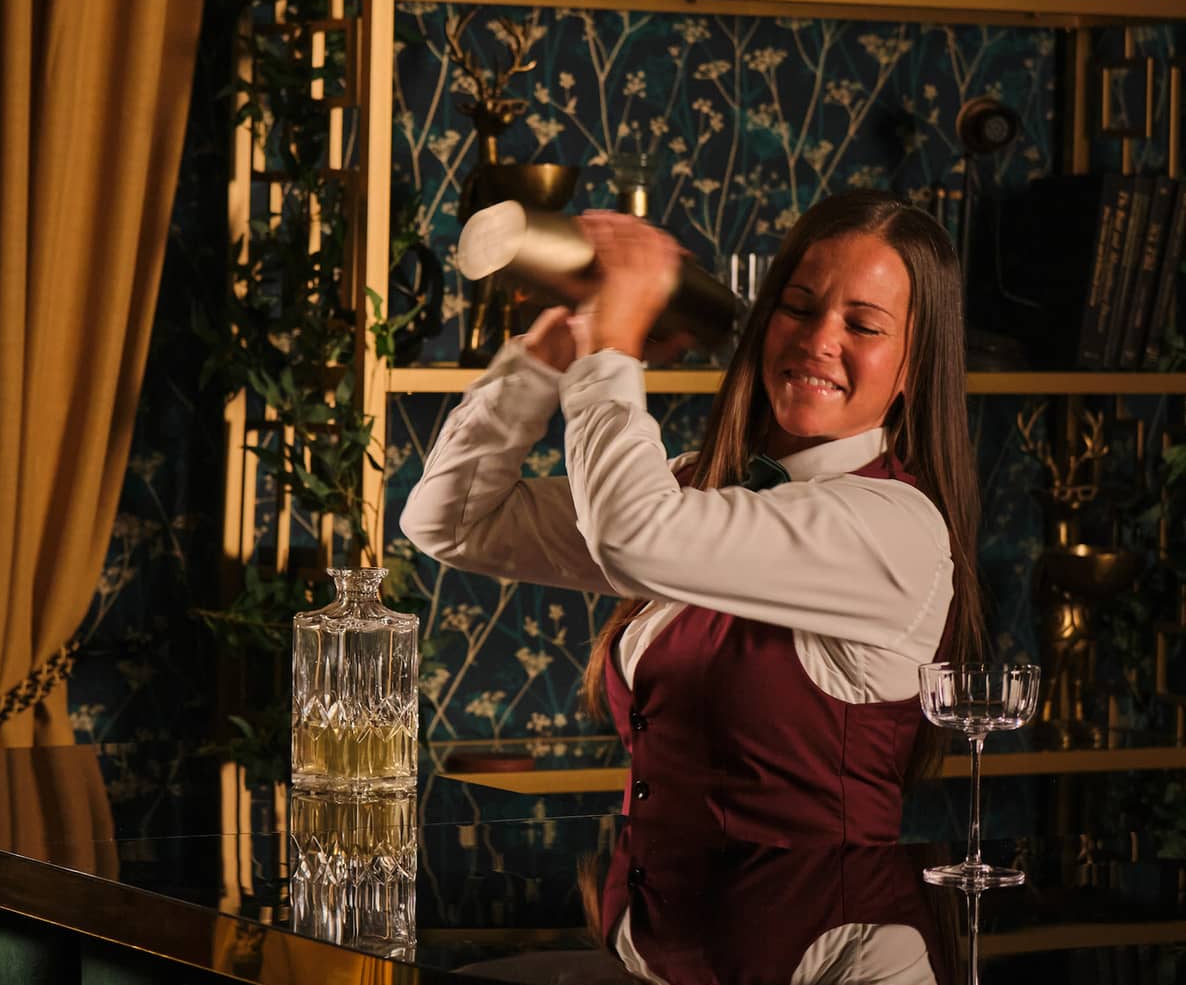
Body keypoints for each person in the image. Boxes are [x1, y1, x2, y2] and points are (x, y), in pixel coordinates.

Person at [400, 189, 982, 845]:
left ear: (916, 364)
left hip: (817, 929)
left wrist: (612, 350)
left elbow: (634, 539)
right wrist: (547, 357)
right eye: (798, 307)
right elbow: (453, 522)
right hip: (655, 936)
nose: (820, 339)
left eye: (864, 326)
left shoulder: (893, 527)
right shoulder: (695, 488)